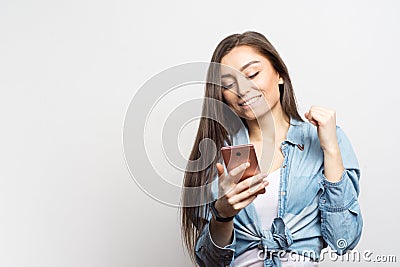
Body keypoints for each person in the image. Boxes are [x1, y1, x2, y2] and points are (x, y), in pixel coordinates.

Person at [181, 31, 362, 267]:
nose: (242, 90)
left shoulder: (325, 138)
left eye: (252, 74)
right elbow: (210, 262)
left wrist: (330, 149)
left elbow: (343, 240)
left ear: (279, 74)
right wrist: (223, 215)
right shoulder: (216, 156)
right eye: (228, 85)